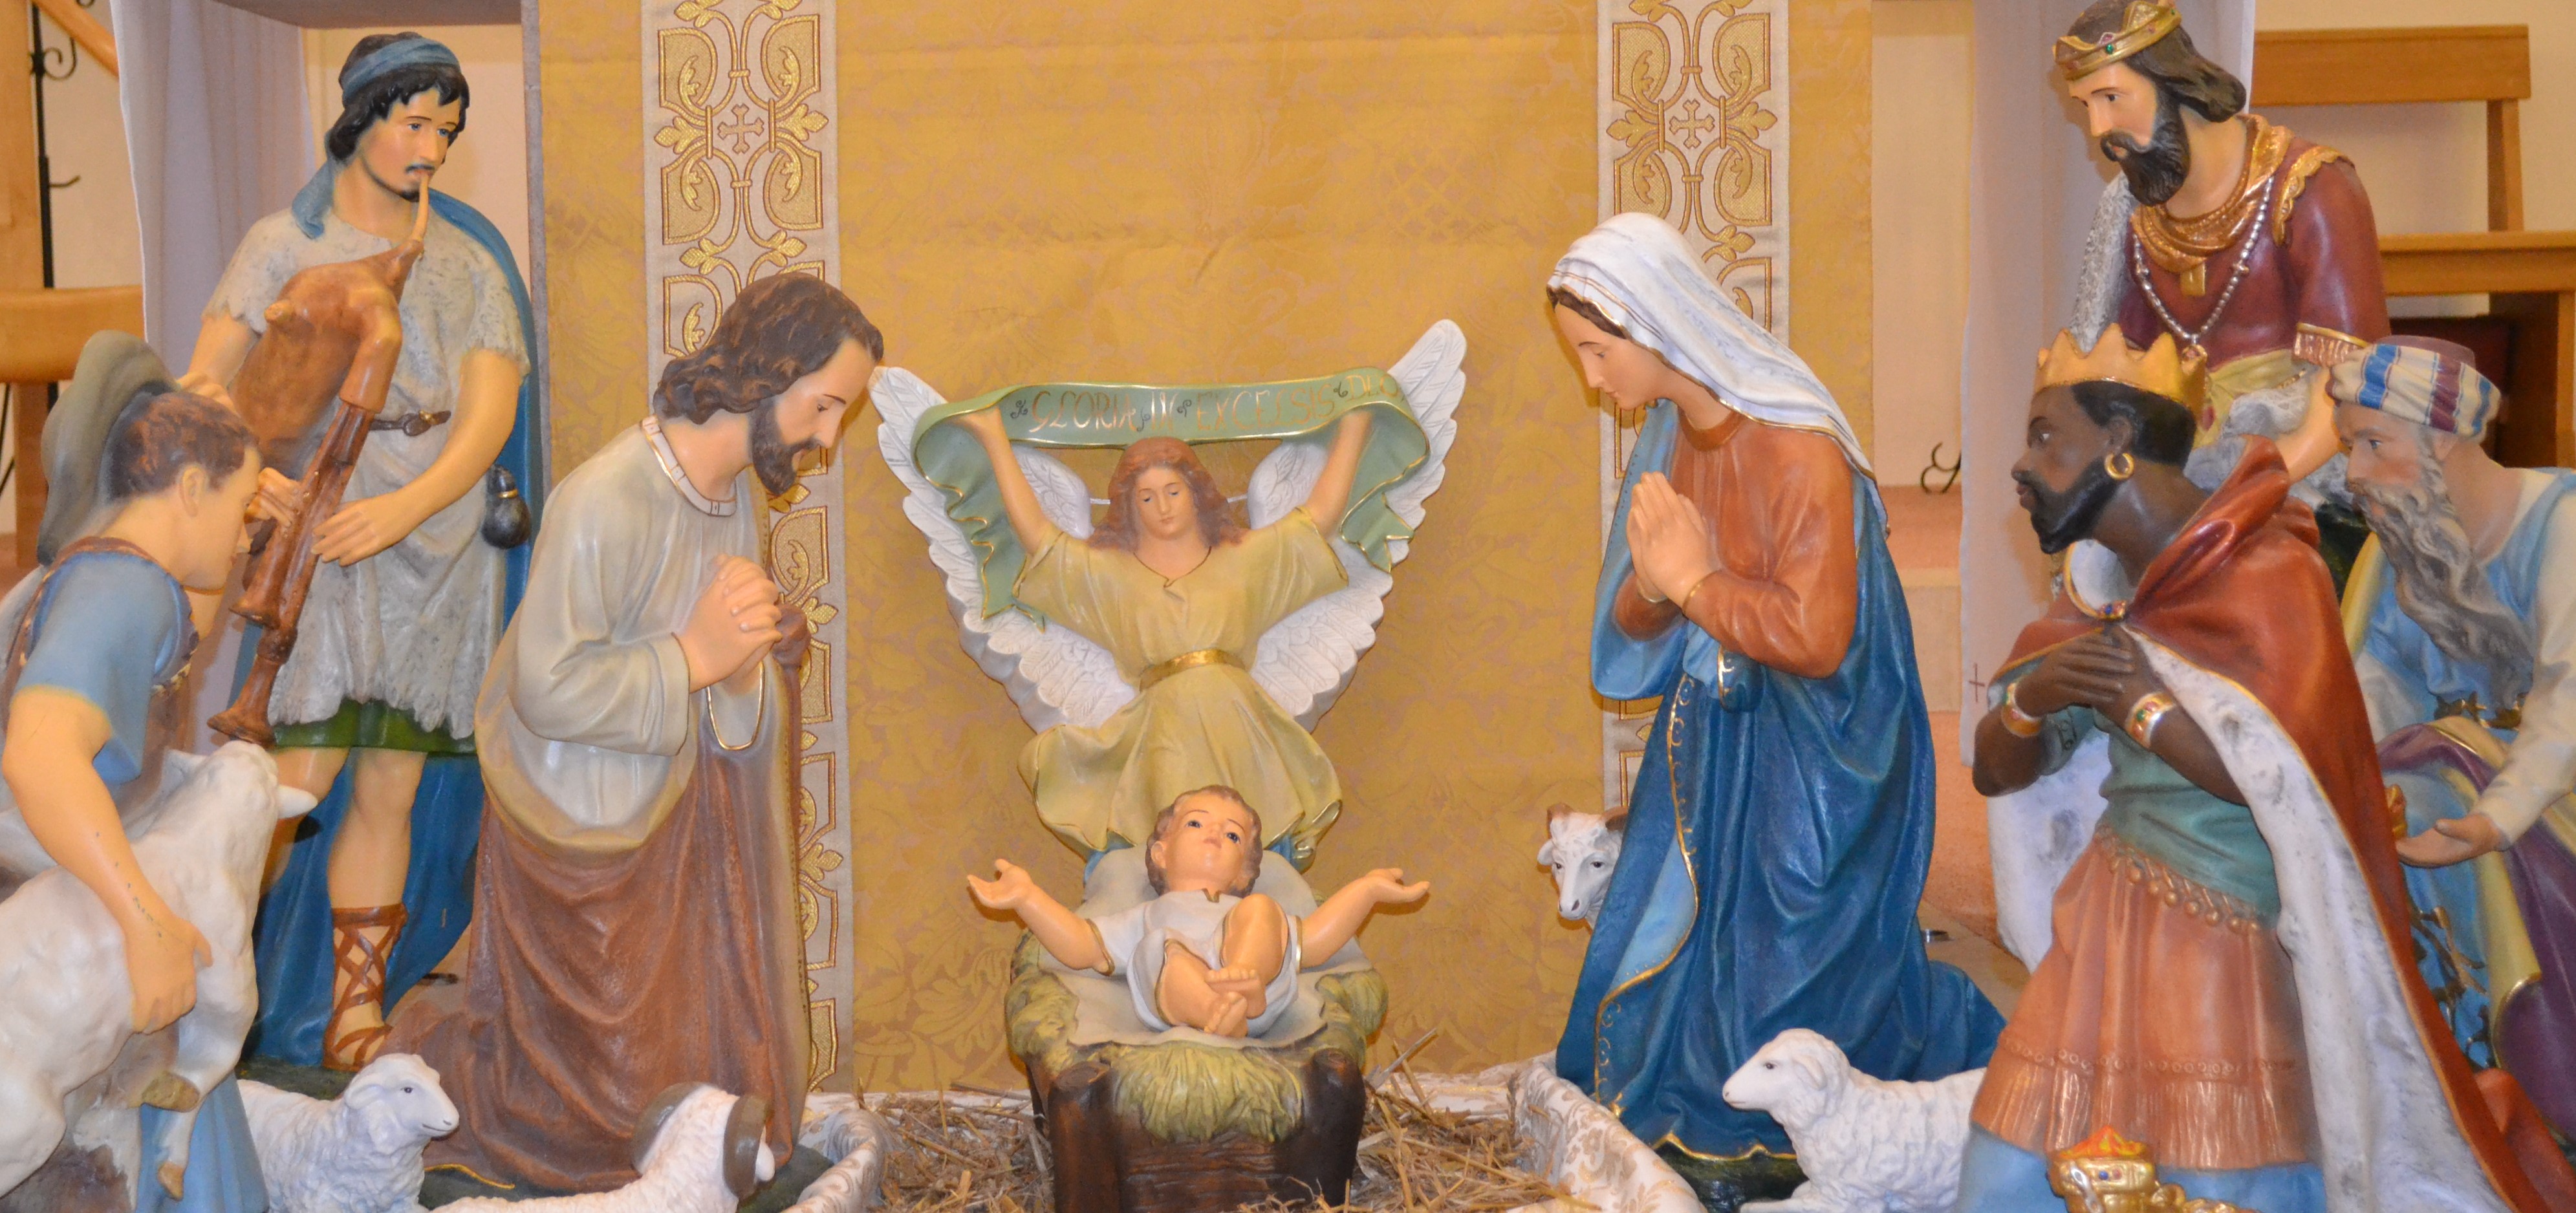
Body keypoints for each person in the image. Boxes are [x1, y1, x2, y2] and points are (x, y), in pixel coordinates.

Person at [1963, 325, 2574, 1211]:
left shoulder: (2266, 573)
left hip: (2233, 927)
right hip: (2105, 910)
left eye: (2044, 437)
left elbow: (2295, 768)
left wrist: (2141, 704)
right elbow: (2353, 708)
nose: (2021, 466)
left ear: (2119, 444)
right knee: (2002, 1177)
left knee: (2219, 1181)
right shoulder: (2099, 589)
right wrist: (2034, 696)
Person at [383, 274, 874, 1191]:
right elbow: (547, 689)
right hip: (579, 824)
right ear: (771, 376)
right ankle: (447, 1068)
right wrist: (692, 657)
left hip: (673, 806)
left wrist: (760, 651)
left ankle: (698, 1145)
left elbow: (718, 660)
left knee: (686, 1047)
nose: (826, 438)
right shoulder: (606, 499)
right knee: (611, 1097)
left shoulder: (730, 495)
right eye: (824, 406)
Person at [1545, 213, 2001, 1191]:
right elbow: (1631, 626)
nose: (1591, 377)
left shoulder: (1799, 451)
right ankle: (1718, 1127)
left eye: (1596, 351)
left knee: (1783, 954)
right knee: (1706, 947)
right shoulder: (1669, 437)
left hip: (1822, 758)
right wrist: (1661, 586)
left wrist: (1695, 583)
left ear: (1653, 324)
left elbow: (1816, 638)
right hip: (1723, 748)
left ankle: (1806, 1142)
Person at [179, 31, 545, 1071]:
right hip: (319, 527)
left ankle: (353, 1008)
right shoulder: (279, 247)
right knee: (295, 773)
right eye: (415, 123)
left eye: (447, 131)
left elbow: (487, 411)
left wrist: (408, 506)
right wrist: (255, 478)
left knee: (391, 780)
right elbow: (205, 386)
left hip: (435, 538)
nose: (431, 149)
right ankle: (214, 979)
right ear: (362, 118)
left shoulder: (467, 261)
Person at [0, 367, 272, 1211]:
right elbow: (41, 756)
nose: (244, 534)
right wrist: (147, 923)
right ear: (190, 488)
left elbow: (190, 619)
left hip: (87, 900)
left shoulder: (117, 572)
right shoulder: (124, 592)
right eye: (241, 506)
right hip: (68, 921)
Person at [2333, 336, 2576, 1137]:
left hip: (2548, 794)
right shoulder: (2400, 551)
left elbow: (2566, 703)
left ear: (2439, 440)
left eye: (2372, 444)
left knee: (2439, 783)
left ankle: (2540, 1078)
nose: (2352, 472)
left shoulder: (2560, 526)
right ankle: (2450, 1063)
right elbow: (2368, 693)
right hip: (2473, 788)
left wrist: (2493, 818)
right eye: (2347, 447)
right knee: (2400, 795)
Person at [949, 409, 1376, 862]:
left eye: (1174, 491)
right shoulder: (1109, 576)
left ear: (1197, 494)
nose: (1164, 507)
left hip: (1238, 722)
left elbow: (1317, 519)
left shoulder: (1245, 559)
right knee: (1177, 842)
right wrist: (994, 437)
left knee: (1251, 844)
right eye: (1147, 497)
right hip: (1164, 729)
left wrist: (1356, 425)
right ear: (1129, 507)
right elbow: (1040, 539)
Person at [2055, 0, 2387, 553]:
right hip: (2184, 477)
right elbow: (2126, 381)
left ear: (2174, 83)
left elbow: (2350, 387)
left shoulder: (2311, 190)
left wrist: (2245, 492)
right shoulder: (2133, 211)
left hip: (2302, 478)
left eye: (2111, 98)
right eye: (2085, 105)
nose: (2098, 129)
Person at [969, 786, 1428, 1038]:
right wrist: (1027, 898)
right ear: (1161, 852)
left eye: (1232, 836)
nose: (1214, 834)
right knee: (1160, 947)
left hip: (1259, 991)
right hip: (1193, 1003)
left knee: (1263, 912)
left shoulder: (1244, 905)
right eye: (1196, 823)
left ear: (1243, 871)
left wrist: (1366, 890)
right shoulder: (1152, 915)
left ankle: (1243, 981)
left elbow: (1313, 942)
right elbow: (1083, 946)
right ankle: (1217, 1011)